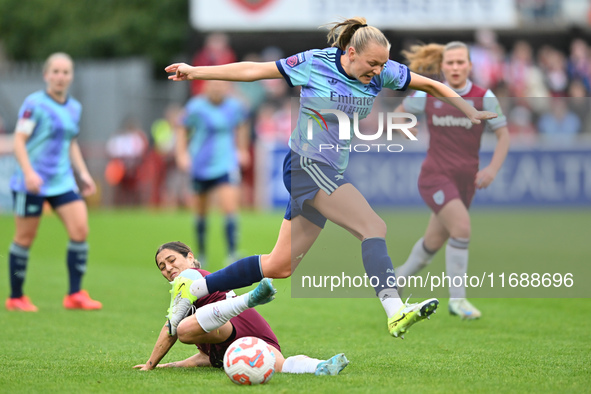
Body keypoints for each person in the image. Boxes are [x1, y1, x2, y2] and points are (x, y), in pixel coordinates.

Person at [164, 17, 498, 338]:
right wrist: (196, 72)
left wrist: (468, 109)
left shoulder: (381, 73)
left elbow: (429, 83)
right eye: (373, 64)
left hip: (326, 170)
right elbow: (254, 71)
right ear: (350, 53)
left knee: (279, 264)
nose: (379, 72)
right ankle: (395, 310)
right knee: (373, 227)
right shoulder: (315, 62)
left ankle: (193, 287)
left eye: (383, 65)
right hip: (306, 165)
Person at [393, 41, 510, 319]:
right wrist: (408, 130)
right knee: (462, 228)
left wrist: (492, 169)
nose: (456, 67)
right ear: (442, 66)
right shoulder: (429, 95)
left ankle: (393, 283)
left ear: (470, 65)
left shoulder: (485, 96)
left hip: (465, 183)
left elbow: (504, 135)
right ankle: (458, 301)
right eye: (450, 62)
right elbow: (398, 117)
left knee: (433, 243)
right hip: (435, 177)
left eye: (461, 62)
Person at [133, 241, 349, 376]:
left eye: (171, 260)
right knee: (280, 365)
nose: (168, 268)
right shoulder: (192, 290)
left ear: (190, 257)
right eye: (162, 267)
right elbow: (207, 357)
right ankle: (320, 366)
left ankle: (249, 299)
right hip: (253, 334)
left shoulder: (189, 277)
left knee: (182, 330)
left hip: (234, 323)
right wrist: (169, 366)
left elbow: (171, 328)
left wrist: (150, 365)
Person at [6, 52, 102, 311]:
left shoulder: (74, 107)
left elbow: (71, 142)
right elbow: (18, 140)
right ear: (46, 75)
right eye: (55, 71)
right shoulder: (34, 104)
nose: (60, 77)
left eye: (65, 72)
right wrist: (28, 173)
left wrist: (82, 173)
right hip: (32, 182)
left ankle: (74, 294)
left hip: (62, 181)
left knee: (80, 230)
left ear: (71, 76)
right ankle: (16, 297)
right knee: (25, 238)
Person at [176, 80, 251, 266]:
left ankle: (232, 253)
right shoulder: (196, 106)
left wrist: (242, 149)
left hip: (226, 163)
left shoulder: (234, 106)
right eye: (214, 86)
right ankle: (201, 254)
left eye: (221, 86)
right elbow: (181, 127)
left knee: (230, 207)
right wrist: (182, 154)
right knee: (201, 212)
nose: (218, 89)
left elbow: (242, 125)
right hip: (201, 164)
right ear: (206, 87)